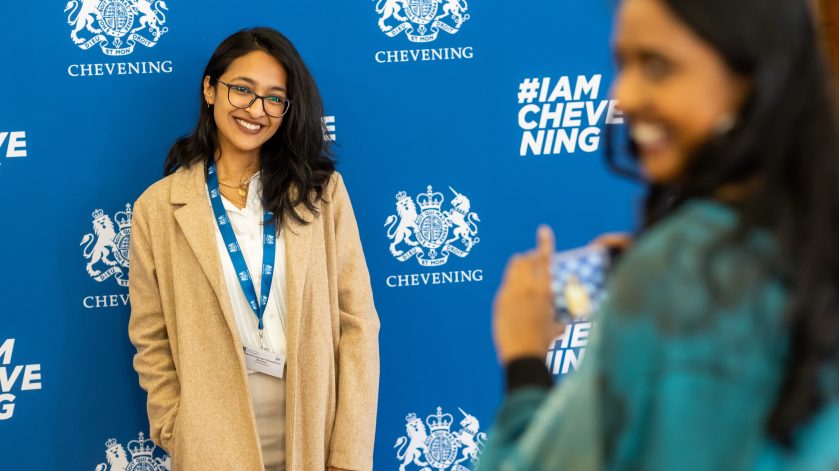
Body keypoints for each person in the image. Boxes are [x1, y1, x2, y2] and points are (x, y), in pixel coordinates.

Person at [482, 0, 839, 469]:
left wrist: (525, 362)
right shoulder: (808, 237)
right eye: (622, 64)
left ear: (751, 75)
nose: (623, 96)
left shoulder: (675, 272)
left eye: (657, 66)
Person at [127, 27, 379, 471]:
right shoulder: (159, 208)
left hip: (310, 419)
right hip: (212, 432)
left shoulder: (322, 194)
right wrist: (176, 427)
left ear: (287, 109)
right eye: (242, 89)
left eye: (273, 98)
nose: (255, 110)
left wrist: (349, 452)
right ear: (210, 89)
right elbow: (151, 337)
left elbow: (357, 323)